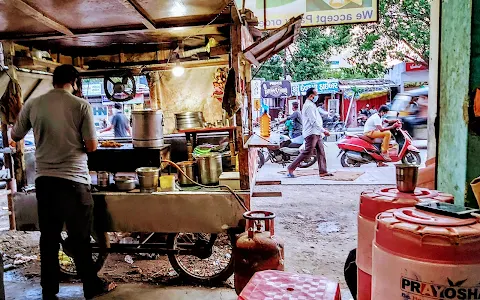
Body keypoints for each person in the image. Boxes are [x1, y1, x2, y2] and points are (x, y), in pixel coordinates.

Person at [11, 65, 115, 300]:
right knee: (80, 238)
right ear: (75, 82)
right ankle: (91, 287)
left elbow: (15, 135)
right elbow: (92, 146)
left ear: (53, 81)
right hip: (74, 181)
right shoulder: (81, 105)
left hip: (45, 182)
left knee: (48, 238)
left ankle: (49, 291)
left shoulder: (33, 104)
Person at [287, 88, 332, 178]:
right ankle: (290, 168)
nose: (317, 96)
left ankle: (323, 171)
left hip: (316, 132)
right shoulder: (308, 106)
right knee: (308, 152)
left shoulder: (311, 105)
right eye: (316, 94)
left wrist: (321, 130)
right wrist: (324, 130)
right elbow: (313, 121)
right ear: (311, 96)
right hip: (311, 132)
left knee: (321, 151)